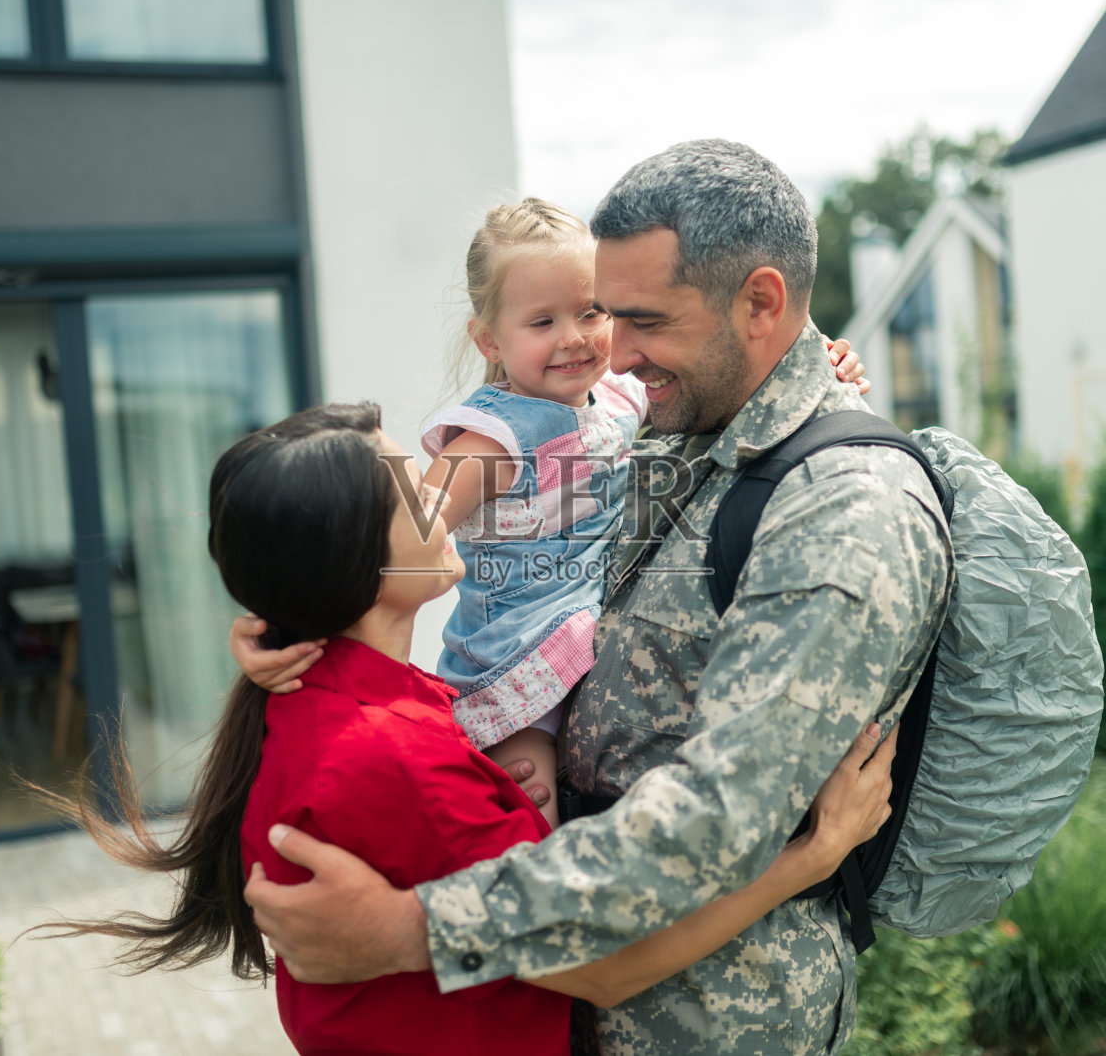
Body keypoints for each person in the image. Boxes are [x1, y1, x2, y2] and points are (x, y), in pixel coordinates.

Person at [236, 140, 954, 1056]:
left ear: (761, 304)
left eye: (629, 319)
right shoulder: (677, 422)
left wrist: (409, 930)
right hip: (574, 1002)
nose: (611, 349)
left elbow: (710, 824)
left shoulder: (844, 509)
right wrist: (293, 607)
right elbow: (396, 529)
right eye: (596, 315)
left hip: (712, 1024)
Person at [29, 400, 900, 1056]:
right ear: (358, 560)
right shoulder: (395, 755)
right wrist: (815, 855)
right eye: (414, 491)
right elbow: (605, 964)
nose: (441, 498)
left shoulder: (319, 704)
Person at [242, 198, 869, 829]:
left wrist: (820, 363)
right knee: (532, 819)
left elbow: (729, 373)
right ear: (490, 340)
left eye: (591, 311)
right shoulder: (491, 441)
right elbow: (389, 541)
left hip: (602, 639)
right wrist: (283, 629)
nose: (573, 336)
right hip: (519, 664)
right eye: (542, 321)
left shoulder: (621, 393)